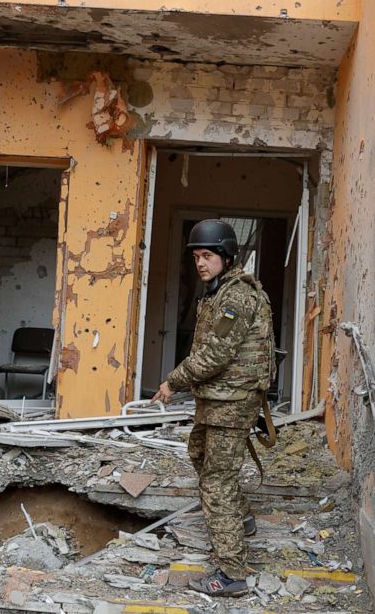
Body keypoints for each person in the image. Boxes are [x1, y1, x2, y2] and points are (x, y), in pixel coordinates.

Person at [152, 218, 276, 598]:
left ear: (226, 256)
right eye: (196, 257)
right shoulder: (217, 292)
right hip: (216, 400)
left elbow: (216, 354)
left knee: (217, 481)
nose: (200, 263)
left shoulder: (237, 296)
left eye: (207, 256)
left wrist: (173, 381)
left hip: (232, 403)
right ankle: (240, 518)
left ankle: (230, 573)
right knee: (199, 454)